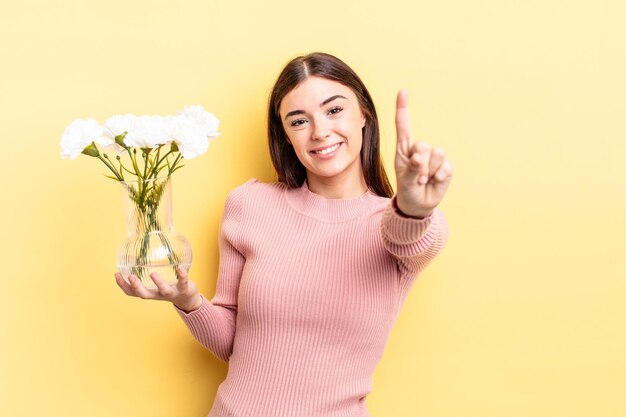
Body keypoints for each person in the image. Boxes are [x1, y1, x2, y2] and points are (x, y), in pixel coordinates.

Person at [115, 52, 454, 417]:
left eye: (334, 110)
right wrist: (190, 302)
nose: (320, 131)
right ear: (286, 136)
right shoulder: (250, 204)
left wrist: (413, 207)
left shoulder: (393, 225)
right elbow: (233, 343)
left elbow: (414, 237)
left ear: (364, 116)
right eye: (298, 120)